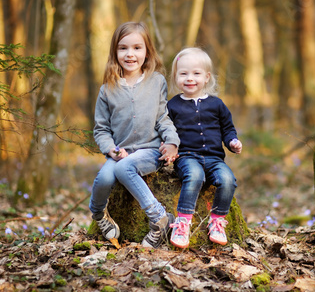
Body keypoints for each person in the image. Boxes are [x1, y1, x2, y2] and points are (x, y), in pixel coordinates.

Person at [89, 21, 180, 248]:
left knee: (123, 168)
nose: (130, 54)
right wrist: (110, 148)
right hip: (120, 152)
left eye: (137, 48)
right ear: (115, 52)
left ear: (147, 51)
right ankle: (99, 214)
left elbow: (163, 117)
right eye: (123, 48)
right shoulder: (107, 88)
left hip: (149, 151)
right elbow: (101, 128)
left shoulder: (156, 81)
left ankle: (158, 217)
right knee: (104, 178)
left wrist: (171, 142)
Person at [162, 47, 242, 248]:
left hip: (215, 158)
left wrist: (232, 142)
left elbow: (227, 129)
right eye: (183, 73)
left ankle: (217, 220)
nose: (190, 78)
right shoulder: (172, 106)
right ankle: (183, 222)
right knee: (196, 176)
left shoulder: (217, 105)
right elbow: (165, 130)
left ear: (206, 77)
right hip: (187, 157)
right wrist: (166, 147)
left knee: (228, 180)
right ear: (176, 77)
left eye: (196, 73)